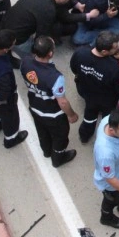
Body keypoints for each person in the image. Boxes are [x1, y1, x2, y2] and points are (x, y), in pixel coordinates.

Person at [2, 0, 97, 58]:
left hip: (7, 22)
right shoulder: (48, 10)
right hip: (18, 39)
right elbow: (41, 37)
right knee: (30, 57)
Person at [20, 36, 78, 167]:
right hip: (53, 115)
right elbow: (62, 102)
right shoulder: (55, 77)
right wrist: (71, 115)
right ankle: (58, 158)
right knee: (60, 137)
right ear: (50, 53)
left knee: (42, 132)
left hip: (35, 107)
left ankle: (46, 151)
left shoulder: (25, 61)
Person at [70, 31, 119, 144]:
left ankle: (84, 136)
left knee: (89, 117)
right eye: (114, 48)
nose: (116, 50)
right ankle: (106, 139)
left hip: (86, 92)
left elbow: (74, 68)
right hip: (105, 100)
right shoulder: (114, 69)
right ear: (105, 51)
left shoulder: (80, 53)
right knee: (107, 120)